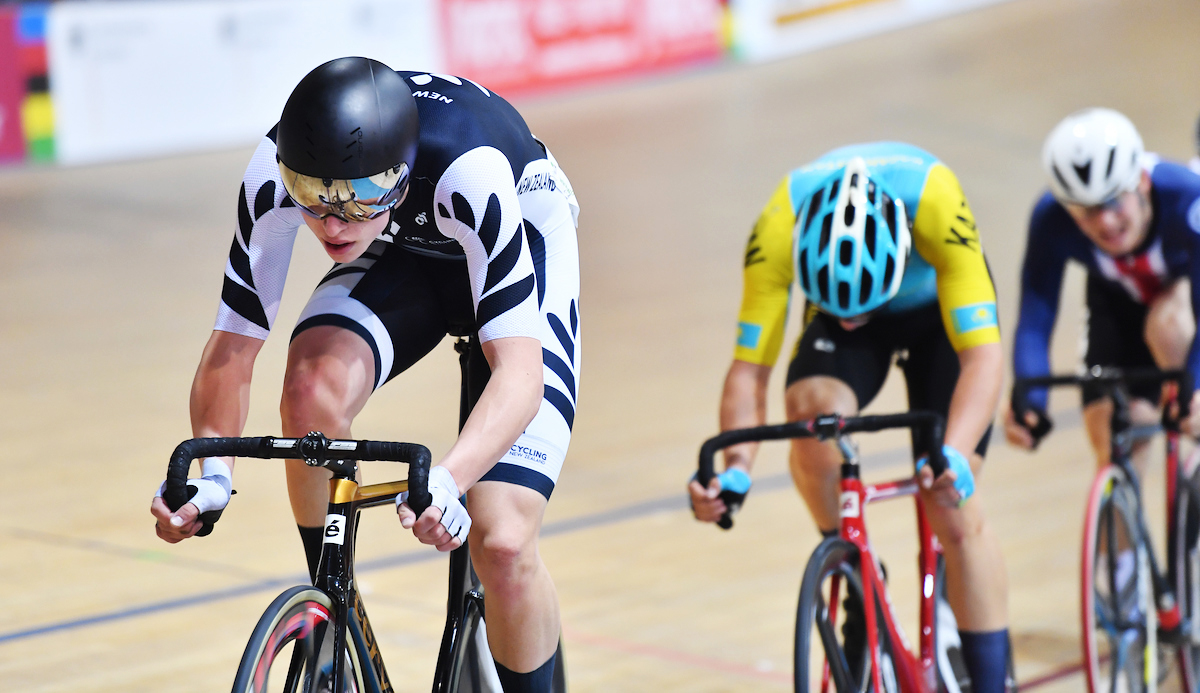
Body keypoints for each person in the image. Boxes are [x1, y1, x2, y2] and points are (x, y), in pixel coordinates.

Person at [149, 56, 580, 691]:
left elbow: (518, 375)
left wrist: (451, 481)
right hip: (406, 247)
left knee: (504, 544)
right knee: (307, 389)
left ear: (401, 177)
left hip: (517, 238)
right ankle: (329, 624)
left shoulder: (472, 170)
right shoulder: (276, 176)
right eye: (313, 199)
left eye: (356, 200)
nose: (330, 224)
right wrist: (215, 477)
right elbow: (233, 345)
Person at [689, 143, 1012, 691]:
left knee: (951, 504)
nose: (855, 320)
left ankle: (985, 669)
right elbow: (750, 372)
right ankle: (857, 575)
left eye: (861, 310)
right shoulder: (777, 227)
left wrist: (953, 456)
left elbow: (982, 359)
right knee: (812, 415)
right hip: (840, 304)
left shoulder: (936, 199)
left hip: (938, 316)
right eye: (845, 312)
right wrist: (736, 468)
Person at [1006, 108, 1200, 471]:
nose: (1105, 222)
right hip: (1115, 304)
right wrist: (1030, 399)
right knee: (1114, 449)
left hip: (1184, 296)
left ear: (1141, 182)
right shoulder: (1051, 219)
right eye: (1086, 211)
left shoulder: (1188, 200)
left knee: (1168, 325)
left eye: (1113, 201)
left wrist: (1196, 385)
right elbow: (1036, 315)